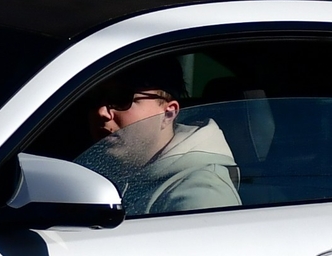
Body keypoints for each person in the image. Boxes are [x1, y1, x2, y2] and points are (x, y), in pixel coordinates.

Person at [74, 70, 240, 217]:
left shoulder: (202, 196)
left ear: (168, 114)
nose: (101, 112)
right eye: (94, 99)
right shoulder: (104, 173)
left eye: (121, 98)